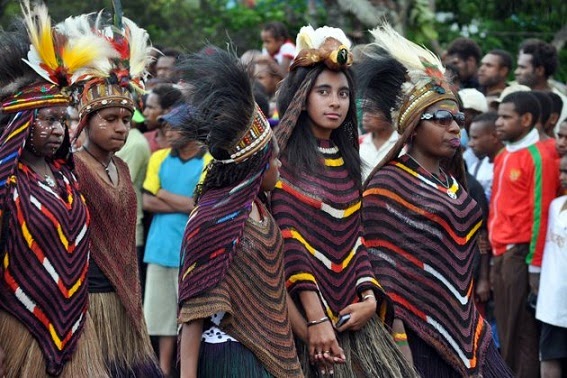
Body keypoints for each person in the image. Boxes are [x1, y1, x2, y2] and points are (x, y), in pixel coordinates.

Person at [360, 24, 512, 377]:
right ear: (413, 126)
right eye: (442, 119)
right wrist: (399, 344)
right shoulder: (387, 186)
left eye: (457, 118)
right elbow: (383, 273)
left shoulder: (452, 184)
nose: (455, 127)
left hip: (468, 322)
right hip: (415, 337)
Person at [271, 25, 415, 377]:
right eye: (323, 91)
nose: (335, 102)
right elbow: (290, 246)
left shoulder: (349, 162)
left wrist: (369, 299)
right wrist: (316, 321)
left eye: (343, 93)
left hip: (354, 314)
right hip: (295, 320)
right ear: (302, 97)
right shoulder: (279, 164)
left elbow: (355, 241)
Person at [177, 47, 302, 377]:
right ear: (257, 166)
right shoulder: (210, 218)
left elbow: (274, 293)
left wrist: (315, 333)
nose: (279, 165)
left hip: (266, 354)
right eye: (274, 159)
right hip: (227, 356)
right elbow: (193, 310)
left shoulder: (262, 211)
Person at [0, 4, 111, 376]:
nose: (59, 130)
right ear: (21, 124)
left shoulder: (68, 179)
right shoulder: (8, 183)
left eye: (64, 120)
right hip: (15, 320)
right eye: (48, 120)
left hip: (77, 321)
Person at [72, 12, 162, 377]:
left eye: (126, 119)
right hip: (89, 303)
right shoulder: (73, 168)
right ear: (85, 121)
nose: (121, 127)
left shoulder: (122, 168)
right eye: (109, 119)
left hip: (125, 298)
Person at [490, 91, 559, 377]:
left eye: (507, 117)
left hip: (521, 254)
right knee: (506, 330)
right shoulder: (503, 153)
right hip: (500, 253)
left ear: (527, 119)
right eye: (499, 116)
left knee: (523, 334)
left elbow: (542, 213)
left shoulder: (540, 156)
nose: (498, 123)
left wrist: (535, 265)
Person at [142, 103, 211, 376]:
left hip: (192, 251)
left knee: (190, 317)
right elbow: (147, 200)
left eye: (175, 127)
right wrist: (185, 203)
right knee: (160, 319)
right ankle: (164, 370)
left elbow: (202, 204)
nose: (168, 133)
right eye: (166, 127)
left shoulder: (208, 161)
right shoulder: (159, 158)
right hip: (160, 248)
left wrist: (163, 194)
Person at [536, 154, 567, 378]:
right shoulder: (556, 205)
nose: (562, 177)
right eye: (562, 171)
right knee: (548, 356)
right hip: (553, 298)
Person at [515, 39, 567, 127]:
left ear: (539, 70)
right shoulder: (513, 93)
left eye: (522, 67)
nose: (516, 72)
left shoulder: (562, 105)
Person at [143, 83, 183, 152]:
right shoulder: (144, 140)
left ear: (168, 111)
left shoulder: (184, 144)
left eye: (150, 108)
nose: (145, 113)